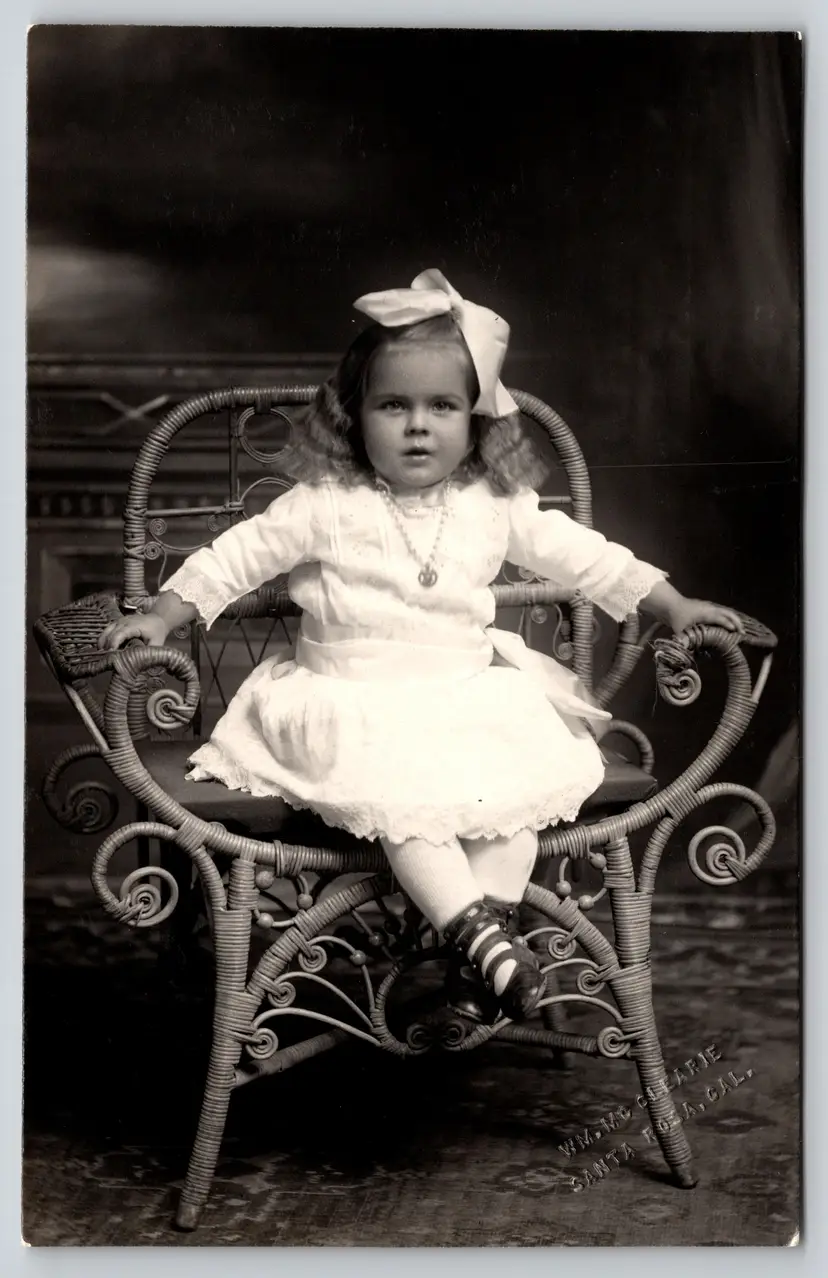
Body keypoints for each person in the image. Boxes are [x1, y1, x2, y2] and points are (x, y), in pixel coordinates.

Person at [99, 269, 744, 1025]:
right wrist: (167, 614)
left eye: (442, 407)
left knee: (514, 800)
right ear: (352, 416)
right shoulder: (325, 504)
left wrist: (672, 604)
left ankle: (479, 966)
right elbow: (234, 557)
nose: (417, 426)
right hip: (350, 697)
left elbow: (590, 558)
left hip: (462, 692)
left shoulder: (494, 502)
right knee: (408, 801)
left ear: (475, 422)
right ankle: (485, 940)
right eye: (393, 405)